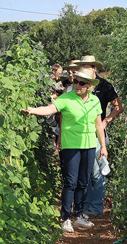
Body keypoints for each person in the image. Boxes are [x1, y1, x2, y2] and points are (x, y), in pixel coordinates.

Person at [22, 67, 108, 233]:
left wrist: (103, 146)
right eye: (75, 81)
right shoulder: (66, 98)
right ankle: (66, 218)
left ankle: (78, 216)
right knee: (71, 182)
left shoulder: (94, 101)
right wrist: (33, 110)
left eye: (82, 83)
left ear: (90, 85)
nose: (77, 85)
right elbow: (50, 109)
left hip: (89, 145)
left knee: (83, 182)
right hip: (71, 146)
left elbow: (98, 125)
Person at [76, 55, 124, 219]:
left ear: (95, 68)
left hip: (97, 135)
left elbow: (118, 107)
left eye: (88, 66)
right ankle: (87, 205)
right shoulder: (79, 84)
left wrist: (106, 120)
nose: (85, 68)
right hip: (80, 134)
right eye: (82, 66)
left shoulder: (104, 86)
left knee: (97, 172)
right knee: (86, 171)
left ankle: (95, 207)